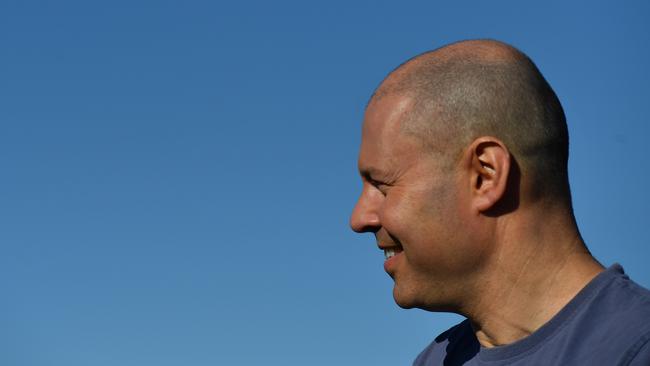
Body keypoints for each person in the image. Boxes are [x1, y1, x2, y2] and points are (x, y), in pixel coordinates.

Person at [349, 39, 650, 365]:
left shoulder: (633, 348)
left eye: (382, 185)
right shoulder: (436, 359)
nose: (359, 218)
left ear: (485, 175)